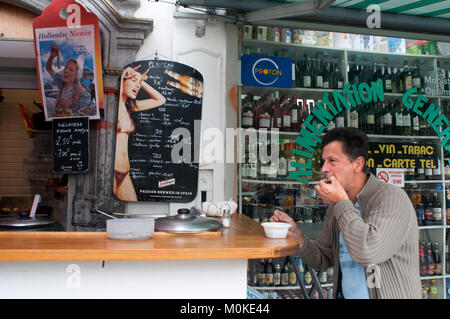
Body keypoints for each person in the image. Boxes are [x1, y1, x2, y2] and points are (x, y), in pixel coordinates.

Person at [270, 127, 421, 299]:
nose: (324, 168)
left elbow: (368, 252)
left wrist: (341, 202)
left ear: (357, 164)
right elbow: (322, 258)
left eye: (332, 161)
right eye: (323, 161)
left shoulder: (391, 197)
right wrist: (299, 238)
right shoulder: (339, 206)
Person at [113, 65, 166, 201]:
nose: (137, 86)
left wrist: (141, 80)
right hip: (111, 174)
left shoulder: (130, 107)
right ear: (122, 81)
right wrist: (123, 72)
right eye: (133, 81)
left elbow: (160, 100)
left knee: (132, 215)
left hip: (125, 174)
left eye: (139, 83)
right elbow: (117, 94)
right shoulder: (113, 107)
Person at [45, 45, 92, 117]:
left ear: (76, 75)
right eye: (66, 67)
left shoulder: (84, 95)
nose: (66, 70)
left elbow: (82, 117)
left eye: (71, 69)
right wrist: (52, 56)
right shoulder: (62, 83)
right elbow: (49, 69)